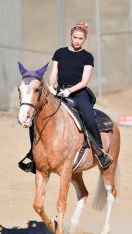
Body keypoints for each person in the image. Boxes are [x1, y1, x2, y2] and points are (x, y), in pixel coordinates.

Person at [18, 21, 112, 173]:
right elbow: (54, 73)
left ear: (84, 39)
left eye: (80, 38)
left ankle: (100, 152)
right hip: (59, 91)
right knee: (36, 118)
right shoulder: (60, 53)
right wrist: (52, 86)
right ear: (71, 36)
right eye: (75, 37)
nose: (77, 40)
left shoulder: (87, 57)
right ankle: (32, 155)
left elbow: (84, 81)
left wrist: (69, 91)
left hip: (79, 93)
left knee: (88, 117)